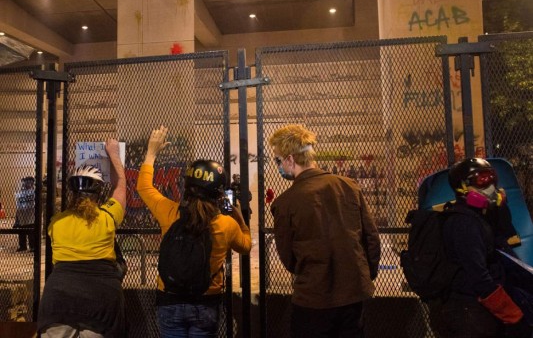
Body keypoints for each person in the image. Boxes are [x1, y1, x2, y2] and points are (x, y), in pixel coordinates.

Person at [136, 125, 252, 338]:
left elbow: (143, 187)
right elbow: (245, 246)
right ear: (218, 192)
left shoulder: (170, 213)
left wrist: (151, 152)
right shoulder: (225, 224)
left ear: (187, 185)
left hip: (169, 299)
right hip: (205, 302)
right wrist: (239, 217)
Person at [268, 124, 381, 338]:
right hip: (353, 294)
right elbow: (371, 238)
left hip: (313, 297)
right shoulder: (349, 186)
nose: (279, 166)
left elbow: (287, 257)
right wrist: (365, 275)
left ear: (290, 159)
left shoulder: (285, 203)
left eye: (278, 160)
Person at [428, 158, 532, 338]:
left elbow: (505, 237)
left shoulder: (481, 217)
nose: (491, 187)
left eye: (492, 179)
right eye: (482, 181)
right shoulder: (463, 223)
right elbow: (478, 277)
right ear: (462, 187)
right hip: (468, 310)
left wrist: (501, 208)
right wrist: (513, 316)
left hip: (481, 307)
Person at [38, 138, 127, 338]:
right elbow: (120, 186)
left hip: (58, 297)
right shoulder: (107, 217)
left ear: (72, 194)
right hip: (100, 298)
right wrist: (113, 153)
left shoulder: (56, 223)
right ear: (98, 193)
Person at [13, 176, 36, 252]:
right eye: (26, 183)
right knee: (22, 232)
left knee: (31, 232)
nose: (27, 184)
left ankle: (32, 246)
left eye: (29, 182)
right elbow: (18, 207)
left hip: (31, 215)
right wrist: (16, 220)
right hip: (22, 214)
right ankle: (23, 246)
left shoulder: (34, 192)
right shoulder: (20, 194)